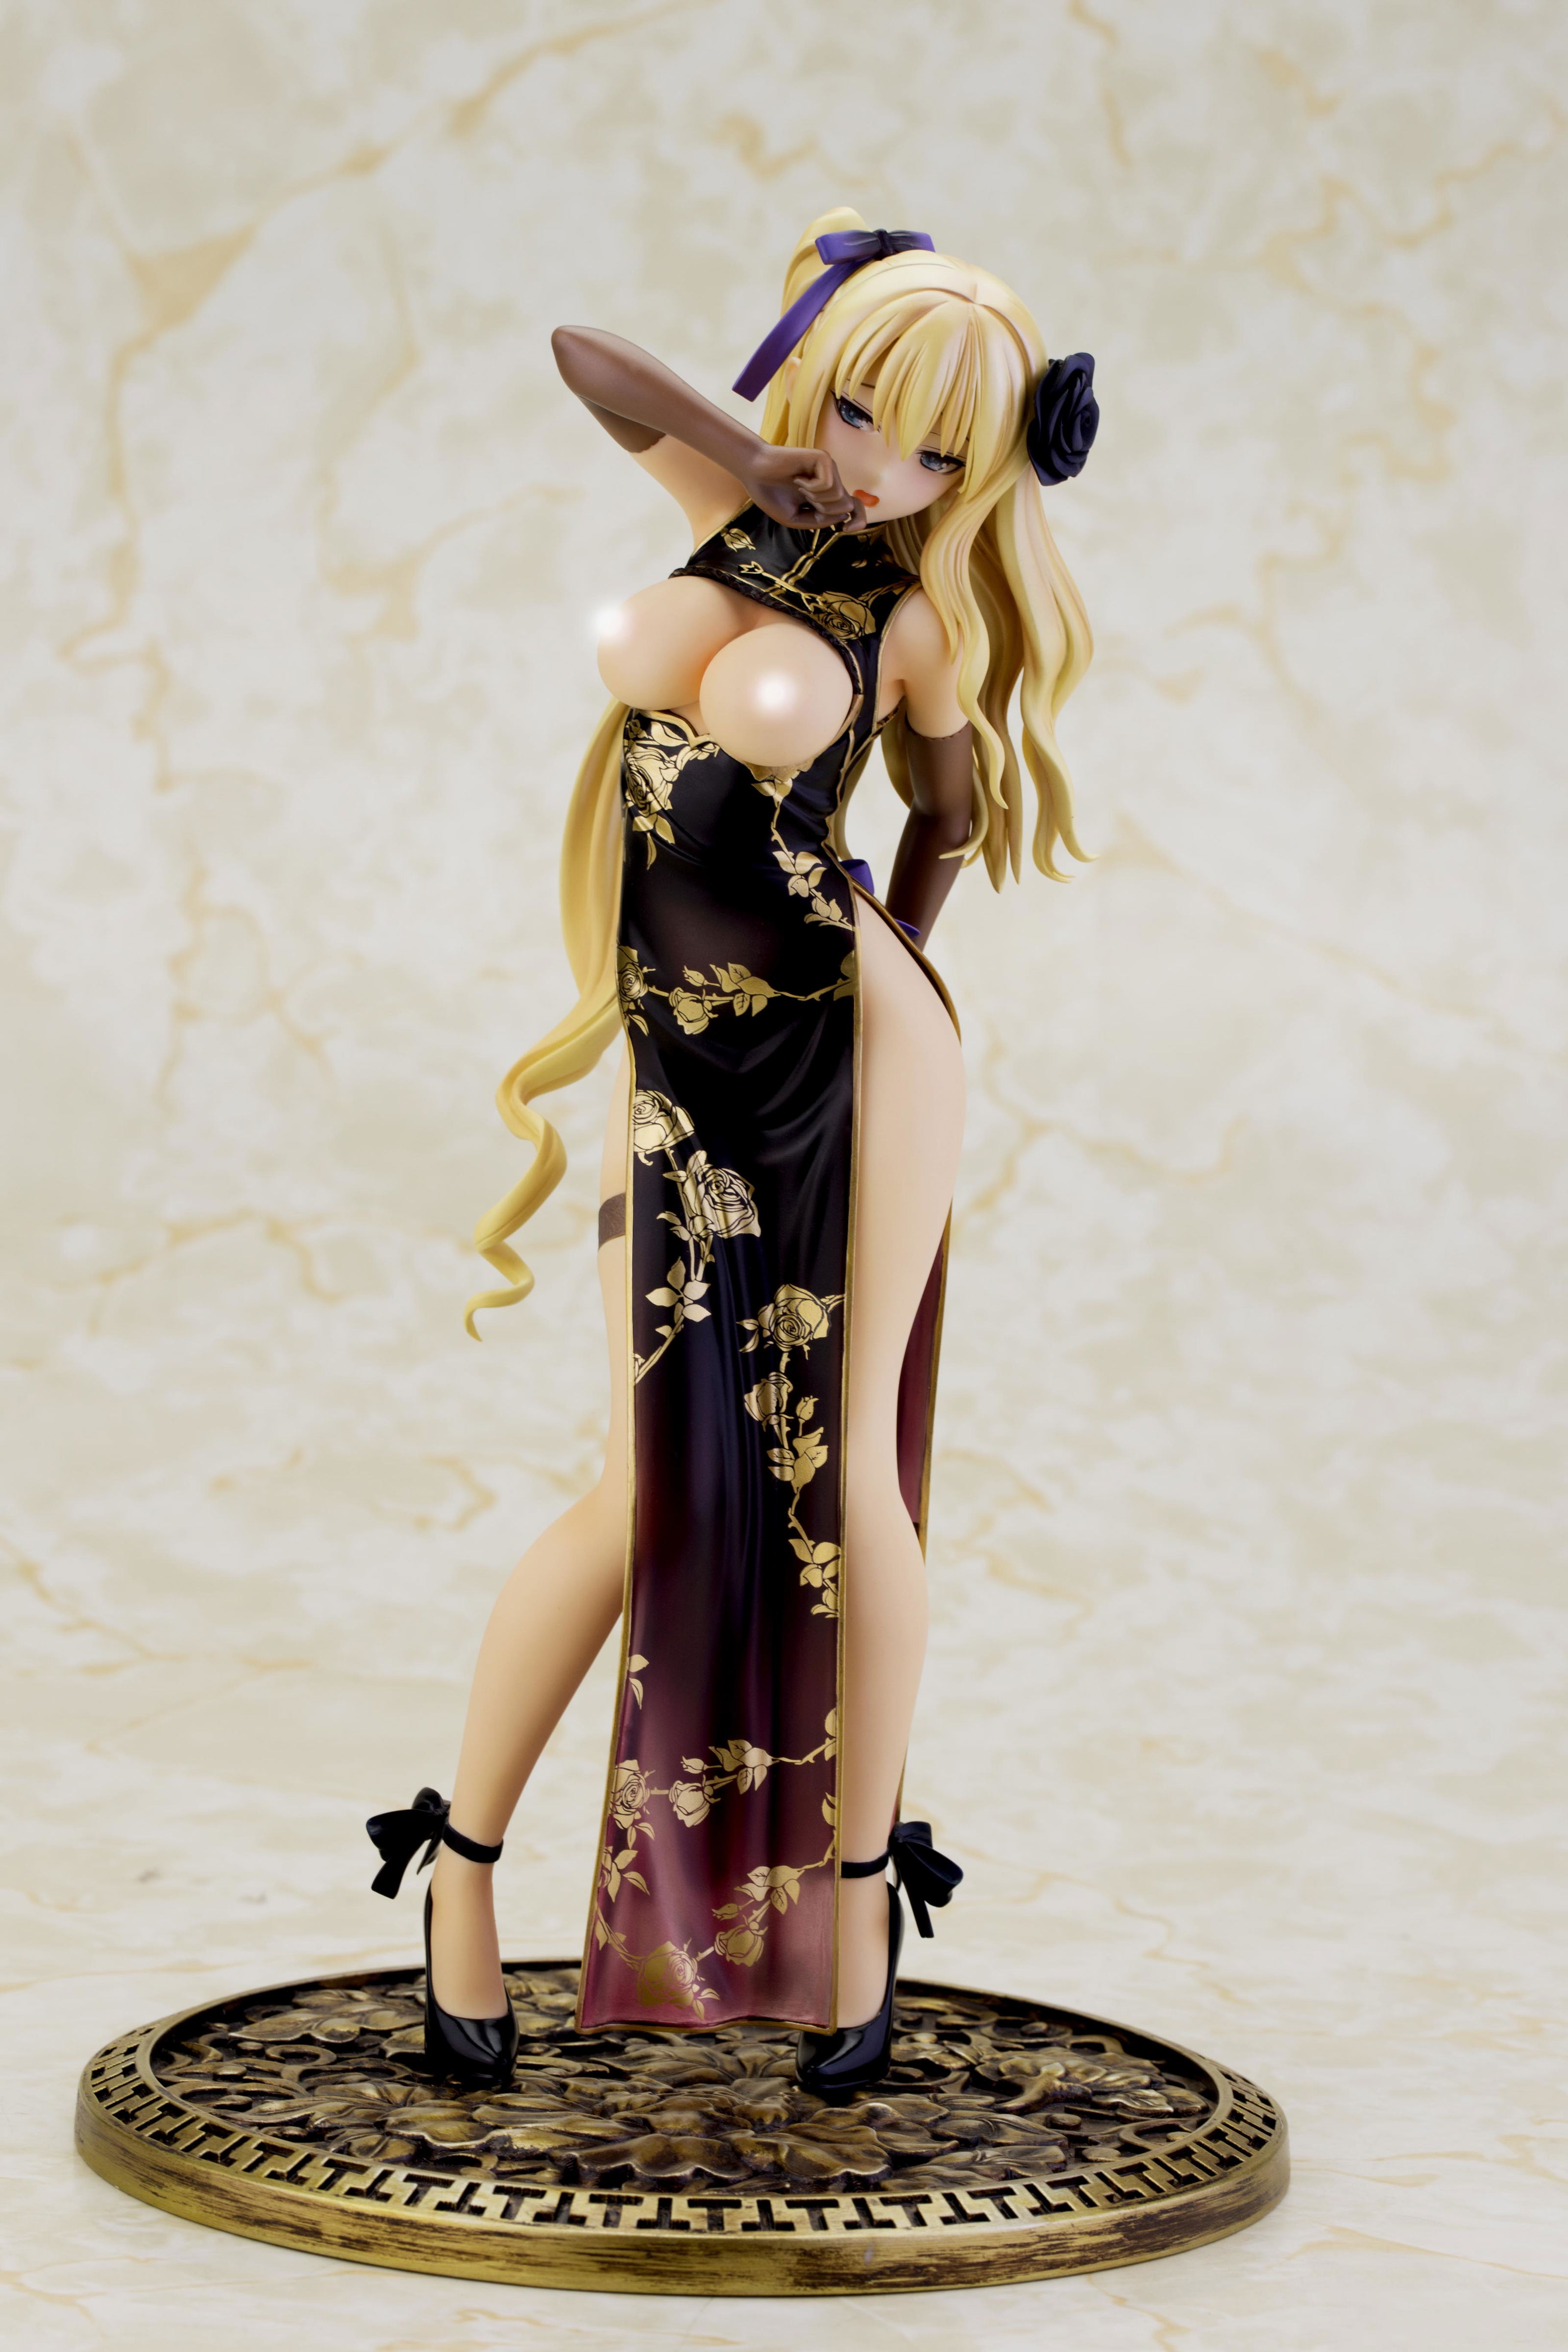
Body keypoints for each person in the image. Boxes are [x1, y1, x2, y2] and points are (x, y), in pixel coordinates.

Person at [367, 209, 1098, 2101]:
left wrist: (897, 944)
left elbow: (953, 807)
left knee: (847, 1477)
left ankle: (855, 1901)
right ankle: (460, 1871)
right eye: (864, 415)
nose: (884, 467)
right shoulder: (735, 497)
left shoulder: (913, 621)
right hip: (680, 1061)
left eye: (936, 450)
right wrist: (750, 445)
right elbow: (579, 351)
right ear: (817, 383)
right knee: (642, 1492)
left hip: (859, 1037)